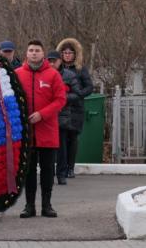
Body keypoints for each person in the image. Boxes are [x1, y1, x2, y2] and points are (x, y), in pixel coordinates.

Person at [16, 40, 67, 218]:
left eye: (37, 50)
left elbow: (60, 100)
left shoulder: (53, 75)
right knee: (28, 172)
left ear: (43, 54)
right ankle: (29, 206)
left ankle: (47, 205)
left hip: (47, 130)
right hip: (26, 132)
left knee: (47, 170)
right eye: (31, 50)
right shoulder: (17, 74)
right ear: (26, 53)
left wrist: (42, 114)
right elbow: (10, 100)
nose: (34, 53)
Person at [56, 38, 94, 179]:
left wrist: (78, 96)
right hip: (60, 108)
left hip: (76, 109)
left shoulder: (80, 69)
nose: (67, 55)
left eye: (70, 52)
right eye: (64, 52)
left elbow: (89, 87)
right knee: (61, 139)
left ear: (75, 54)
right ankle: (61, 167)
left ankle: (70, 168)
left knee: (72, 138)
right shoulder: (57, 69)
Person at [47, 51, 84, 185]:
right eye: (49, 60)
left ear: (59, 61)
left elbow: (78, 94)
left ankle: (61, 174)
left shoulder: (69, 75)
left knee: (61, 147)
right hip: (46, 116)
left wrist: (61, 98)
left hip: (62, 116)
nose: (52, 63)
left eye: (54, 60)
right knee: (47, 148)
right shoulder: (42, 74)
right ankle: (48, 174)